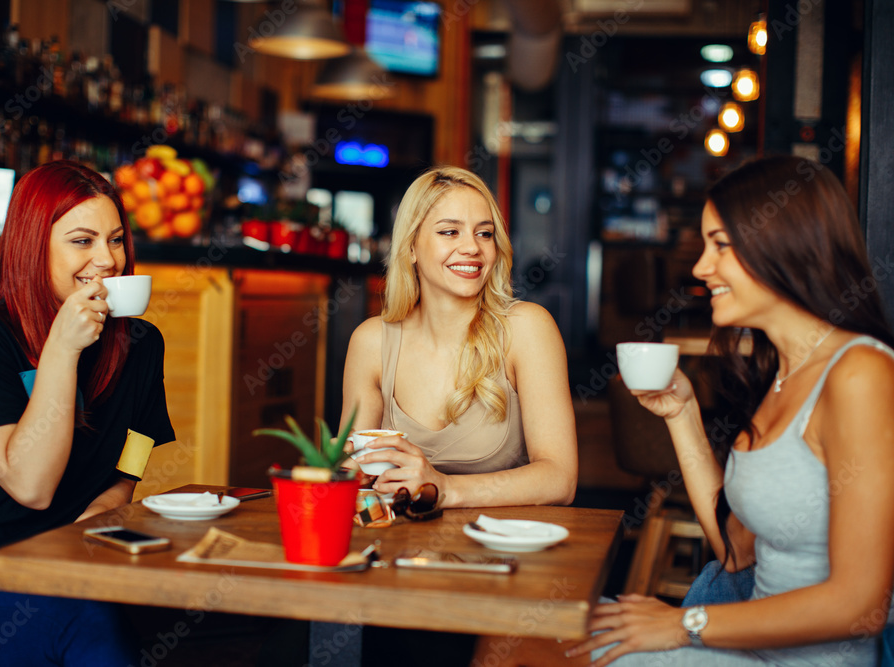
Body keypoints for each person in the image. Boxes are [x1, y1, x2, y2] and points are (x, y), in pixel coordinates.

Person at [564, 156, 894, 666]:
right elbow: (736, 552)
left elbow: (860, 606)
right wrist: (681, 414)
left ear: (786, 242)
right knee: (527, 628)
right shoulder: (784, 375)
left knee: (534, 647)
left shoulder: (861, 374)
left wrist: (682, 623)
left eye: (720, 244)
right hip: (745, 649)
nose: (700, 267)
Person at [0, 160, 176, 666]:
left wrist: (99, 515)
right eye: (82, 241)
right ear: (33, 246)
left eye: (115, 240)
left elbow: (136, 449)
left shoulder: (140, 343)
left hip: (58, 558)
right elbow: (30, 484)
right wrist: (62, 351)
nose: (108, 260)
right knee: (91, 627)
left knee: (137, 617)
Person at [340, 165, 578, 507]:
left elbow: (560, 479)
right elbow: (356, 471)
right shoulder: (372, 341)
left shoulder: (527, 329)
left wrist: (444, 488)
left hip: (506, 549)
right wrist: (344, 470)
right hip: (403, 548)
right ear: (410, 248)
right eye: (450, 232)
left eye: (484, 233)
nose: (472, 248)